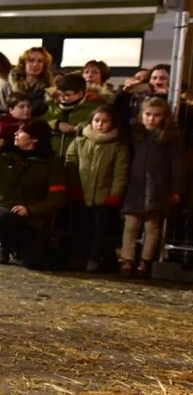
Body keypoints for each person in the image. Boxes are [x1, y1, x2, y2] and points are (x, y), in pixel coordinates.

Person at [0, 120, 67, 269]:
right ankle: (5, 246)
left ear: (34, 139)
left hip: (33, 219)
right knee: (2, 218)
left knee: (35, 262)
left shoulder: (51, 162)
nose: (16, 134)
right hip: (4, 211)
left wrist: (31, 210)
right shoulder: (5, 154)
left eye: (21, 131)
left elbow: (57, 197)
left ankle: (19, 248)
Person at [119, 97, 185, 277]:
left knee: (152, 226)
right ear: (142, 115)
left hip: (158, 186)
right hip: (135, 185)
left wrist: (177, 190)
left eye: (157, 115)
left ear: (164, 117)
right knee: (131, 225)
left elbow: (177, 165)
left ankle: (145, 260)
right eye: (148, 114)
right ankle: (127, 259)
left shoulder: (171, 137)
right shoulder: (136, 134)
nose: (151, 119)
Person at [65, 106, 129, 273]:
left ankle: (94, 259)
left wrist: (115, 194)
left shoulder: (117, 146)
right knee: (82, 227)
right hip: (82, 193)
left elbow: (120, 172)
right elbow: (70, 163)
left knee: (100, 229)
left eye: (105, 121)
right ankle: (79, 257)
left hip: (104, 195)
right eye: (97, 120)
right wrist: (74, 186)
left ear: (112, 123)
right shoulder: (80, 141)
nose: (100, 124)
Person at [10, 47, 53, 117]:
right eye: (31, 60)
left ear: (44, 65)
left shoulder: (49, 90)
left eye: (40, 61)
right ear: (24, 63)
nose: (35, 64)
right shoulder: (10, 85)